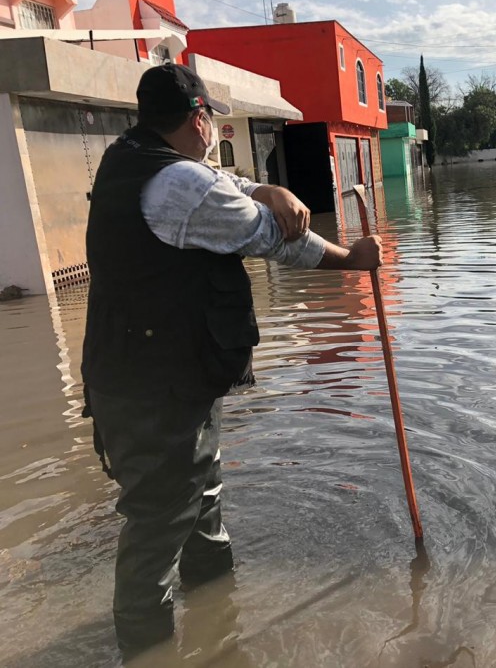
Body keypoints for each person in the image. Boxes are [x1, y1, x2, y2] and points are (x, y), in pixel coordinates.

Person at [80, 64, 382, 660]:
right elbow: (272, 237)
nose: (214, 128)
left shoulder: (135, 157)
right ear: (199, 120)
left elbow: (222, 185)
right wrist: (353, 260)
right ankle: (148, 651)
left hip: (157, 376)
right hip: (154, 388)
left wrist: (269, 187)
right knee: (160, 525)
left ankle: (220, 623)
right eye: (212, 119)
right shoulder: (178, 186)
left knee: (199, 498)